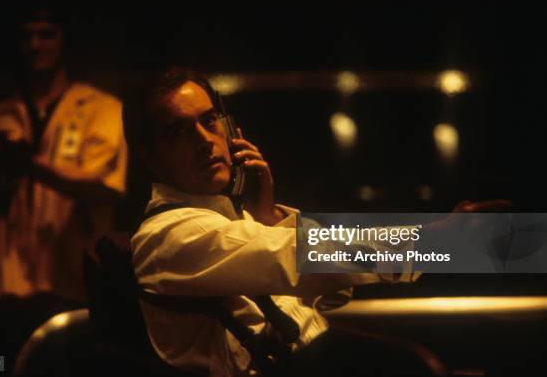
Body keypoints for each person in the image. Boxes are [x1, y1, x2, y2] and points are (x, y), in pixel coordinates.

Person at [123, 67, 475, 377]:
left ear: (230, 130)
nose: (204, 140)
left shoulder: (227, 218)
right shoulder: (169, 235)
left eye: (209, 120)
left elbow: (332, 294)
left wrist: (267, 215)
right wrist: (434, 242)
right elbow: (298, 258)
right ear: (148, 158)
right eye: (178, 132)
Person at [0, 5, 128, 308]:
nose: (35, 45)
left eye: (46, 35)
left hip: (75, 284)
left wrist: (29, 165)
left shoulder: (101, 109)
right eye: (27, 36)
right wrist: (0, 185)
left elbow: (102, 185)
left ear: (65, 41)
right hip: (5, 285)